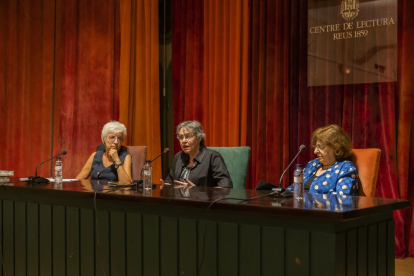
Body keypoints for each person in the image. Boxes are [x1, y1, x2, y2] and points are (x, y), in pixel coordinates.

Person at [288, 124, 359, 196]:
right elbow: (293, 188)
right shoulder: (312, 164)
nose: (315, 151)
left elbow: (343, 198)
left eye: (321, 147)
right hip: (297, 205)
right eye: (315, 147)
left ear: (336, 148)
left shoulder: (345, 168)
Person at [161, 120, 233, 188]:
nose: (183, 141)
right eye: (181, 137)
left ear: (199, 138)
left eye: (188, 136)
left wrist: (197, 190)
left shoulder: (213, 157)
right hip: (178, 200)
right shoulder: (179, 156)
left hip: (202, 200)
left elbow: (226, 186)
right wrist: (164, 186)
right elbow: (169, 181)